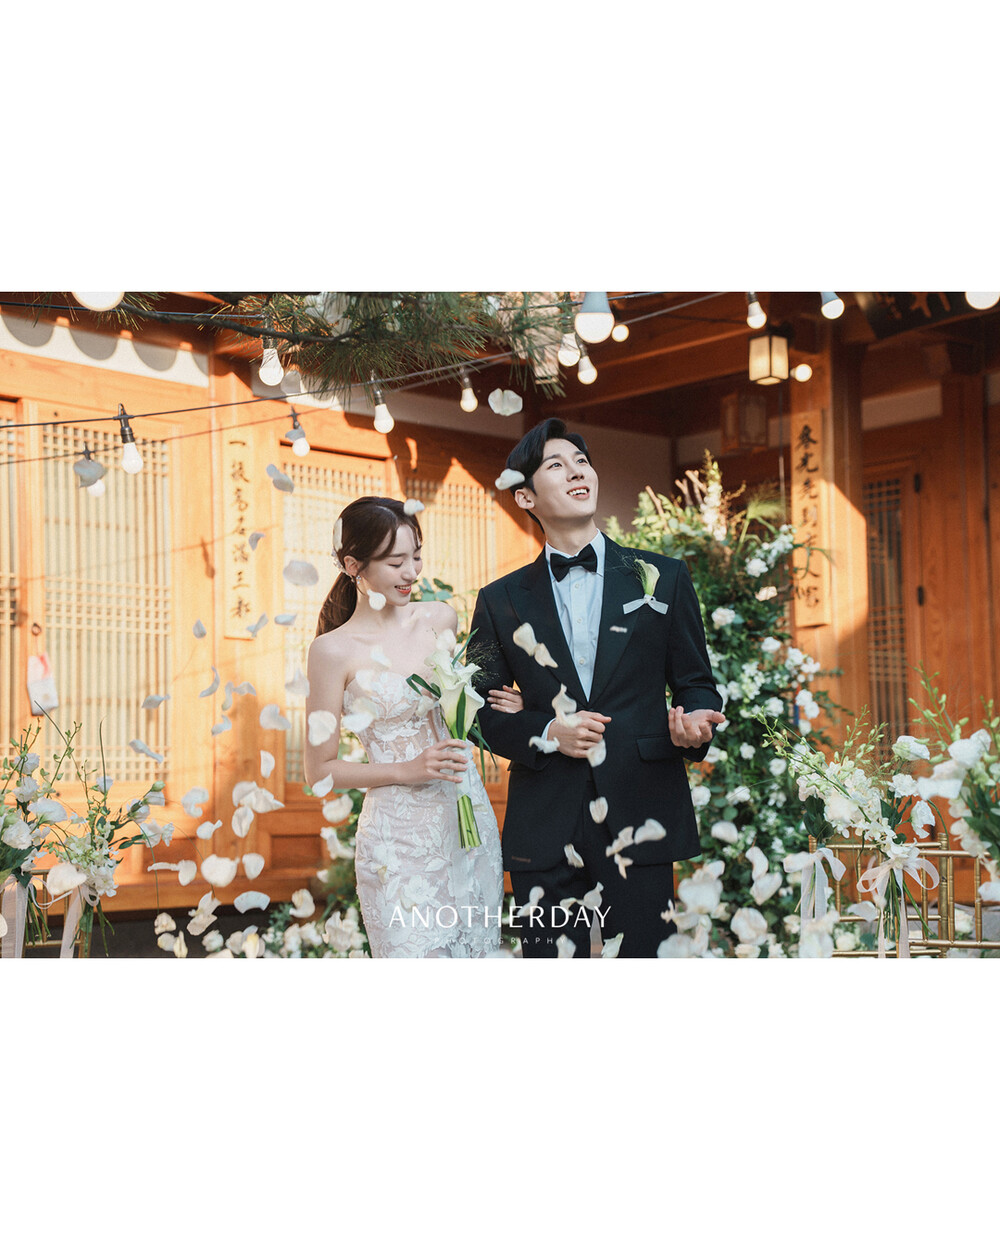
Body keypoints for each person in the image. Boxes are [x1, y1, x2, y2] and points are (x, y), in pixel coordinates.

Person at [470, 418, 725, 958]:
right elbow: (474, 710)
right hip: (545, 818)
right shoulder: (499, 599)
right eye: (556, 465)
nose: (576, 472)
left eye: (582, 462)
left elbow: (696, 684)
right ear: (525, 497)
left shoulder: (663, 577)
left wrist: (695, 723)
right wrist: (547, 731)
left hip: (641, 806)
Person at [304, 496, 505, 958]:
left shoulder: (440, 619)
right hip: (398, 842)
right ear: (353, 565)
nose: (411, 572)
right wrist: (406, 770)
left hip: (467, 818)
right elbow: (319, 771)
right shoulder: (331, 651)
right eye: (396, 562)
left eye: (416, 556)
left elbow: (465, 702)